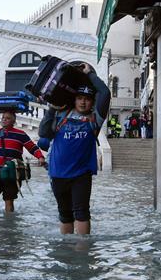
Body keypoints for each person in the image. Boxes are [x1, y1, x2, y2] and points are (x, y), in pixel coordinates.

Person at [38, 62, 110, 235]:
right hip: (57, 173)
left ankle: (83, 253)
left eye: (87, 99)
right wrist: (51, 108)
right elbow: (43, 132)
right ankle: (67, 252)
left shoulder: (95, 119)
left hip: (81, 174)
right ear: (74, 99)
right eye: (79, 98)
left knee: (82, 213)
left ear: (92, 102)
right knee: (64, 215)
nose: (83, 102)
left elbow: (105, 93)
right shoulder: (60, 114)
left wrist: (89, 73)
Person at [0, 107, 45, 212]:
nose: (4, 119)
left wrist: (40, 157)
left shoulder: (21, 134)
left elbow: (32, 147)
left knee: (9, 201)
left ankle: (8, 225)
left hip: (13, 172)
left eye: (7, 118)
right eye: (3, 117)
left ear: (13, 121)